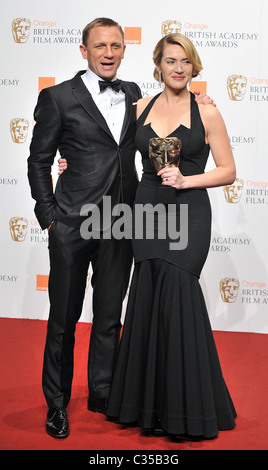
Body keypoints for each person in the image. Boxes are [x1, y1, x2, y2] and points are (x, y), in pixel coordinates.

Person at [29, 17, 214, 439]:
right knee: (63, 318)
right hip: (73, 223)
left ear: (124, 50)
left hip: (123, 220)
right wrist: (49, 214)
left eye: (115, 45)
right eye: (100, 46)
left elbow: (168, 120)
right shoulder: (57, 97)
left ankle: (103, 392)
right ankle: (56, 405)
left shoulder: (136, 96)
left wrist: (200, 104)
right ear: (84, 51)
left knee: (110, 315)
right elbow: (39, 159)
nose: (108, 53)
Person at [105, 33, 237, 439]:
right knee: (147, 297)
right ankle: (145, 406)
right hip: (146, 210)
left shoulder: (207, 113)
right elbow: (112, 151)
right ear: (157, 65)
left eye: (185, 61)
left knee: (178, 294)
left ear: (193, 66)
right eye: (170, 60)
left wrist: (186, 180)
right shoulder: (139, 107)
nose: (178, 68)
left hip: (189, 212)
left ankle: (188, 409)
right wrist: (71, 164)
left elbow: (228, 171)